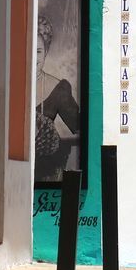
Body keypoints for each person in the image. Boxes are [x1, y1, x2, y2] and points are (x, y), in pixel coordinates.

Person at [35, 14, 82, 182]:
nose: (34, 58)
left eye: (39, 51)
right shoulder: (9, 83)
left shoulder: (59, 89)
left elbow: (80, 130)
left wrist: (55, 143)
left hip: (46, 175)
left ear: (47, 51)